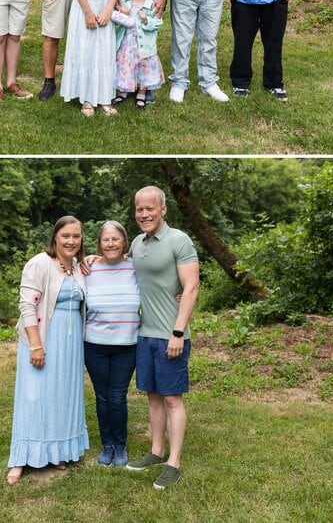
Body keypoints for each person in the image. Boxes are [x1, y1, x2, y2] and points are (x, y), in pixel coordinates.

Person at [125, 186, 200, 490]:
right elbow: (125, 265)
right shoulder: (138, 242)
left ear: (163, 210)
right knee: (153, 396)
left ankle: (174, 463)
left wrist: (178, 332)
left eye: (149, 209)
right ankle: (156, 452)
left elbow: (191, 287)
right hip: (145, 335)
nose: (144, 214)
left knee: (171, 398)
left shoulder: (178, 240)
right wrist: (96, 258)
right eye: (139, 209)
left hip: (172, 335)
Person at [7, 215, 89, 485]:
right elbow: (27, 306)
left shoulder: (78, 266)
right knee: (34, 396)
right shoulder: (39, 263)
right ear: (55, 236)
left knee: (62, 397)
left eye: (76, 236)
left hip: (71, 345)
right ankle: (21, 458)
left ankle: (56, 451)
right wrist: (36, 344)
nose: (71, 241)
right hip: (43, 340)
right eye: (66, 235)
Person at [83, 220, 140, 469]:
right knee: (102, 396)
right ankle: (107, 445)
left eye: (115, 239)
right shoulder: (88, 269)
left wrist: (178, 291)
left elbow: (161, 280)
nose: (110, 244)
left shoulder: (135, 267)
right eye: (105, 240)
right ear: (99, 244)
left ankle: (120, 444)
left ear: (124, 242)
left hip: (127, 344)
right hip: (94, 344)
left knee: (117, 396)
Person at [111, 0, 166, 108]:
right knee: (125, 65)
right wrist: (121, 14)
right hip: (126, 42)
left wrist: (146, 20)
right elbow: (116, 21)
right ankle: (123, 91)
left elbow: (158, 23)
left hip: (143, 44)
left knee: (144, 67)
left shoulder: (152, 3)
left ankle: (142, 92)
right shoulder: (123, 1)